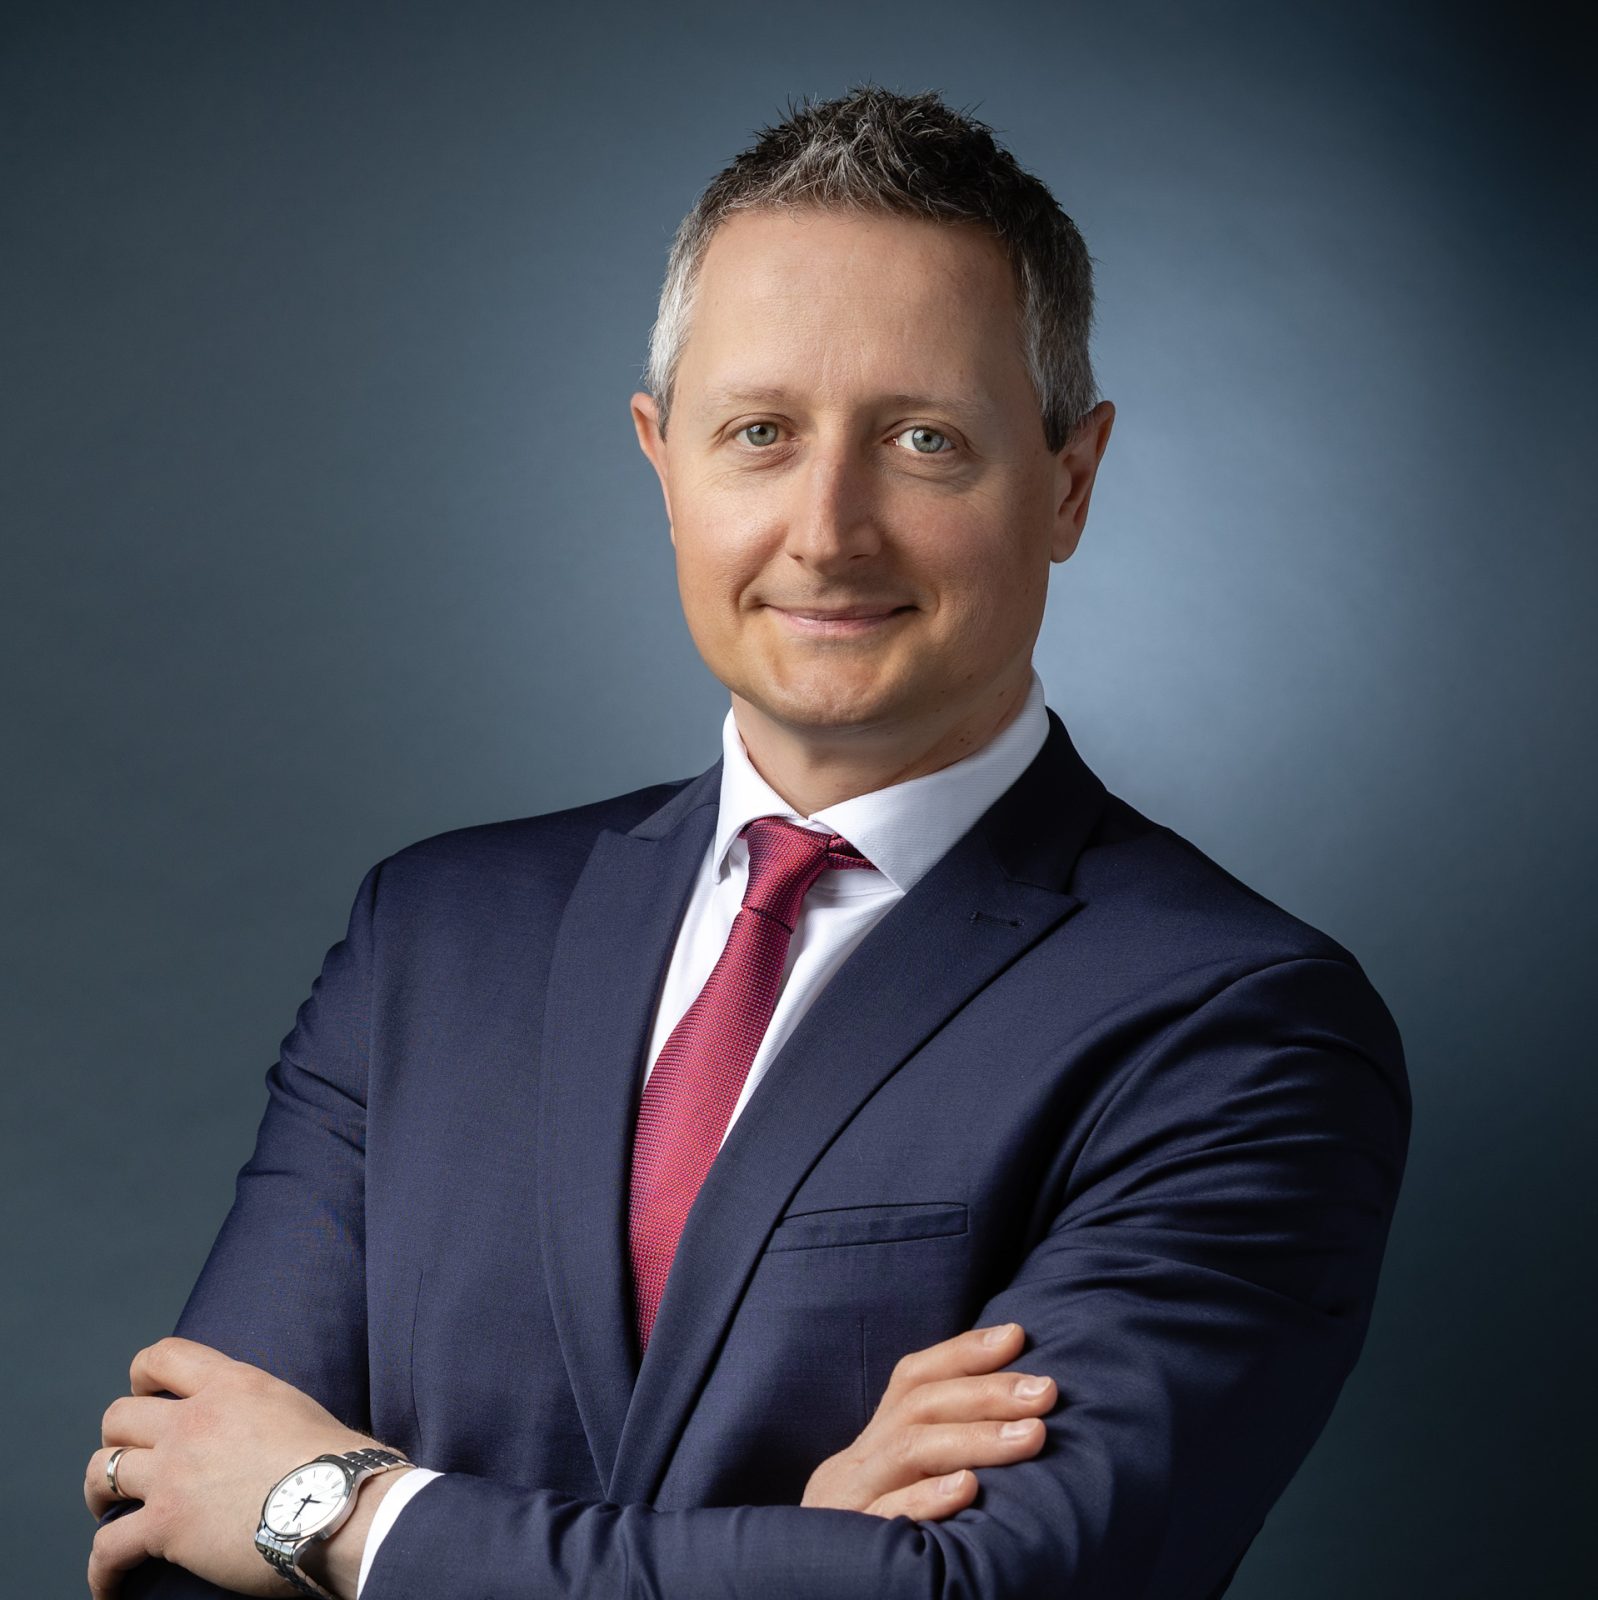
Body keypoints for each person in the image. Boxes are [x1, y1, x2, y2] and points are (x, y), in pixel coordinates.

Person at [85, 85, 1411, 1600]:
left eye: (923, 440)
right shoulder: (431, 939)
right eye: (761, 433)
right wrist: (801, 1547)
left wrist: (338, 1516)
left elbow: (983, 1591)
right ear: (664, 462)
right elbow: (174, 1535)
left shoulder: (1236, 1024)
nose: (828, 530)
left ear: (1068, 482)